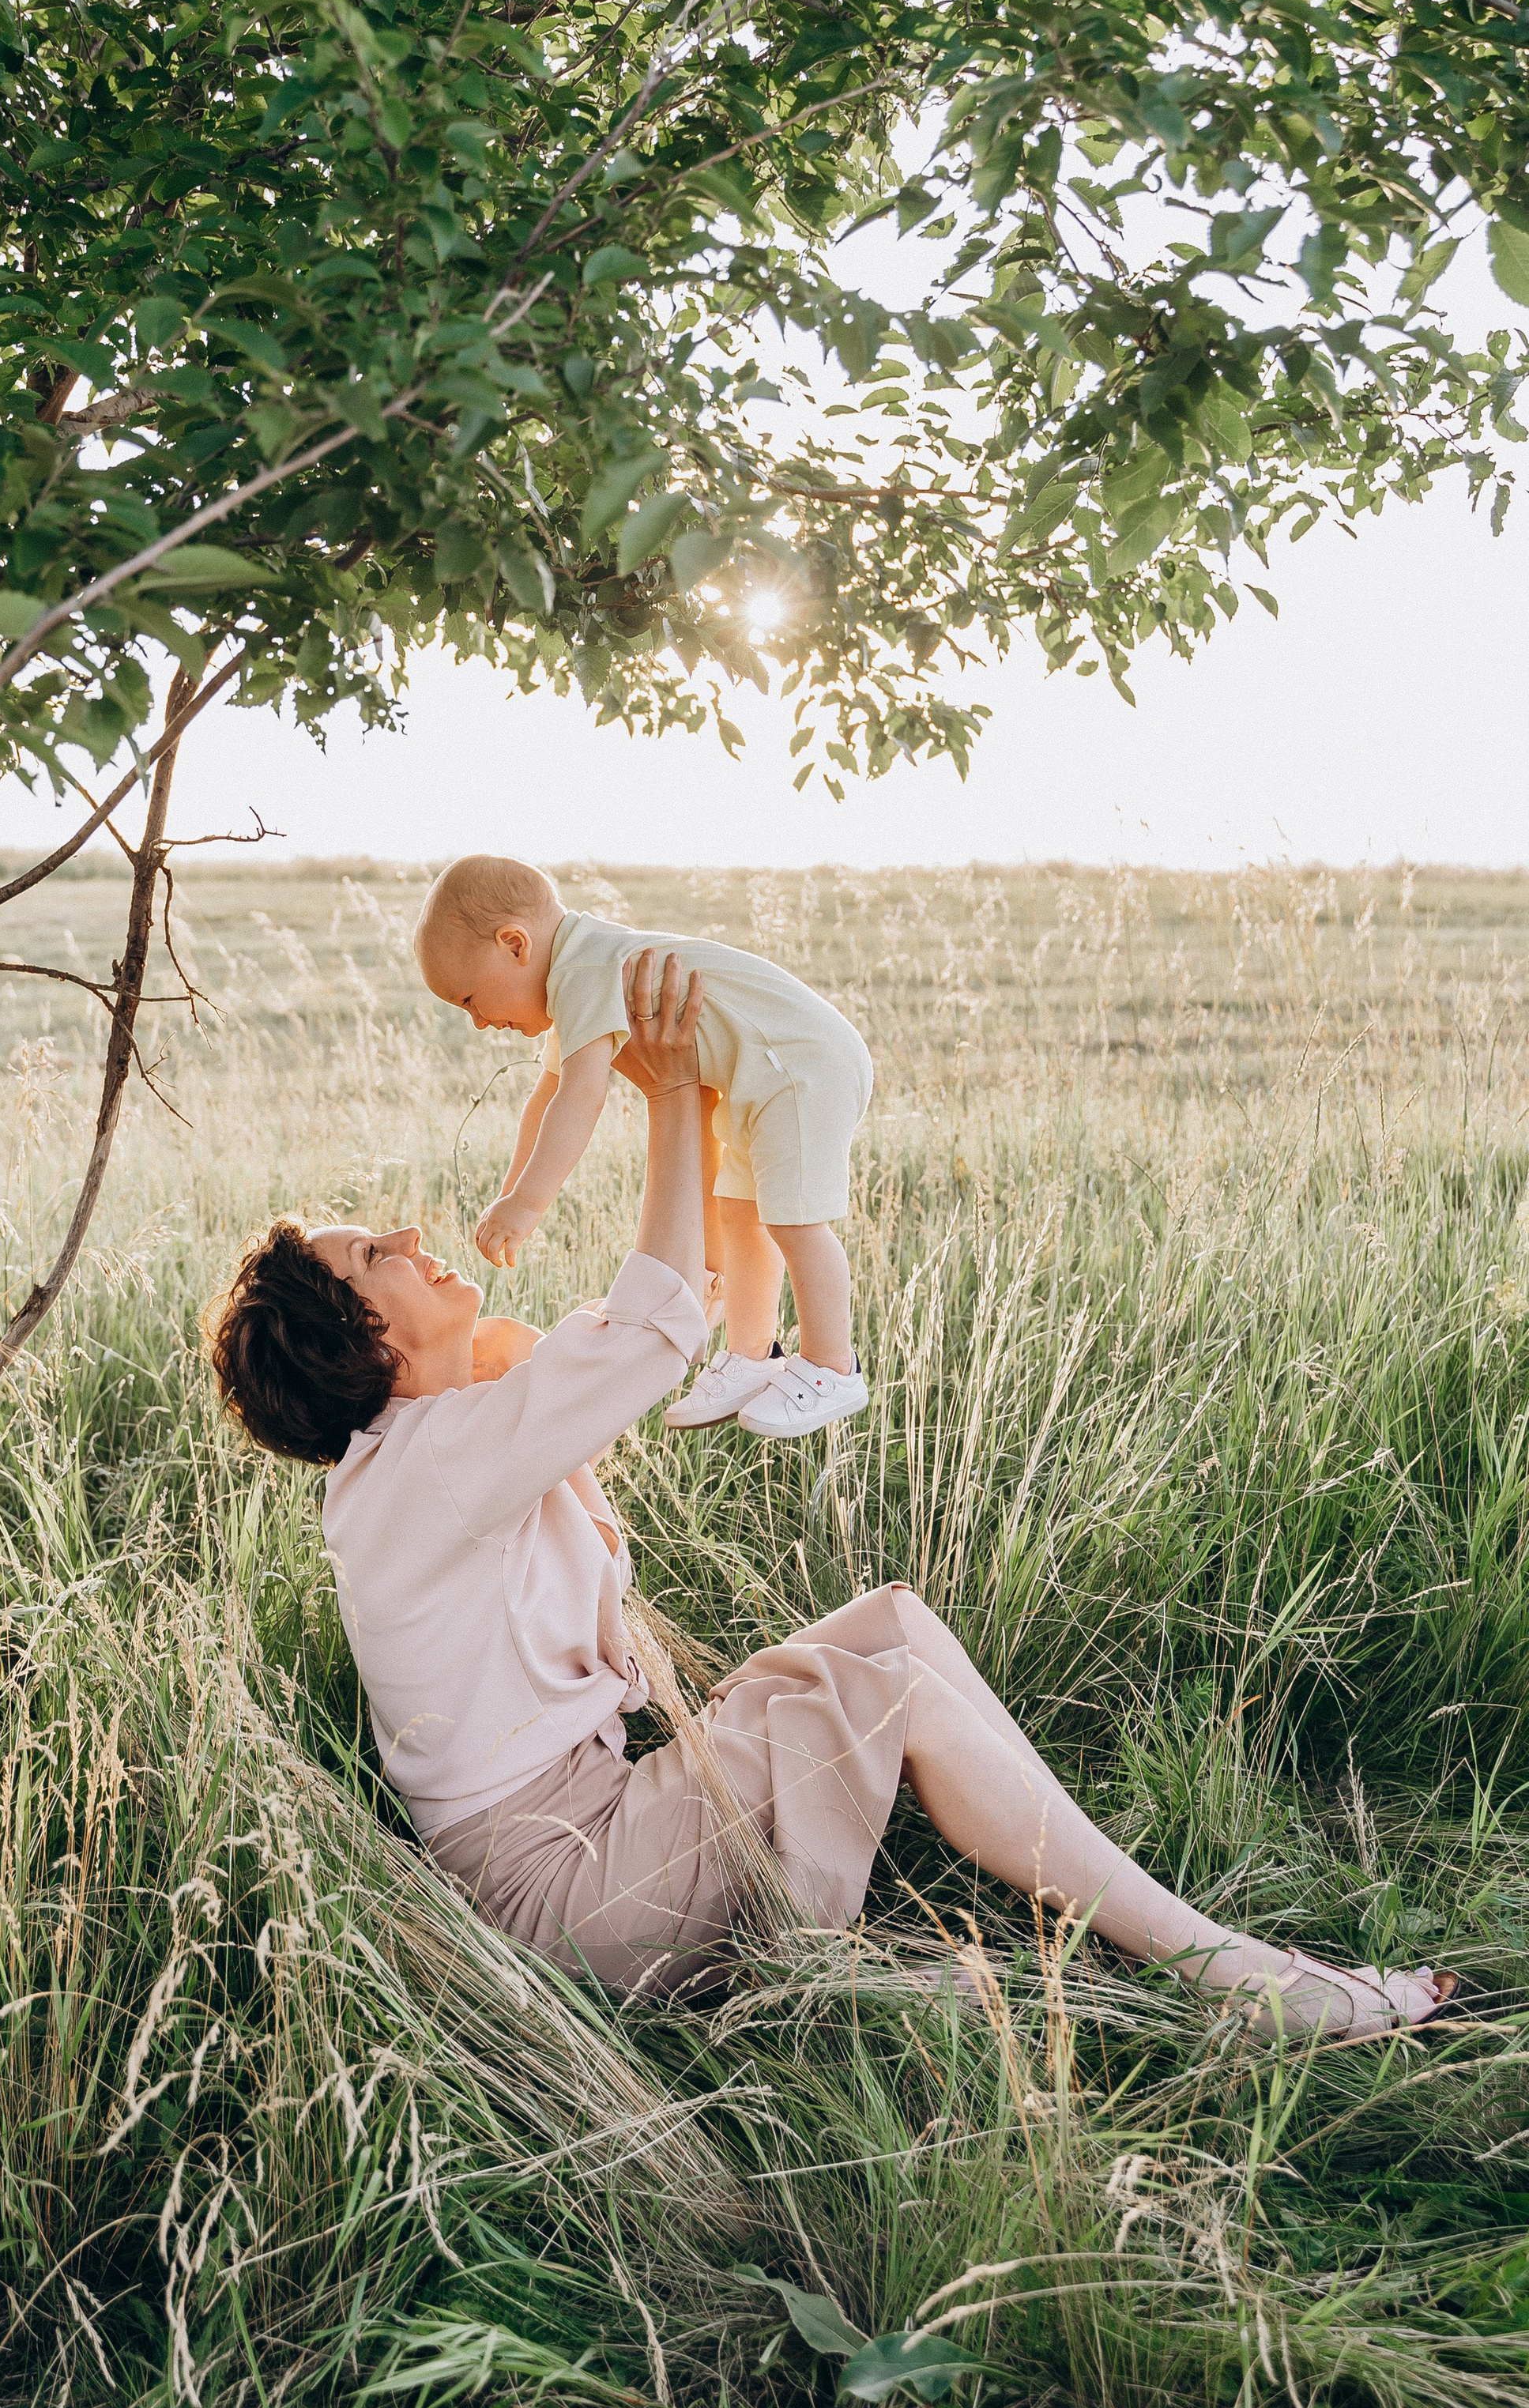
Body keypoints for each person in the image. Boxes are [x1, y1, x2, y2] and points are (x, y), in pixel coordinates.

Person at [210, 948, 1453, 2040]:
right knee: (890, 1681)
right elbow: (651, 1320)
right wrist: (680, 1087)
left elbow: (641, 1317)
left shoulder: (428, 1447)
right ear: (357, 1339)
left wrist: (663, 1118)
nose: (413, 1240)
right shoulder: (425, 1465)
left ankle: (982, 1934)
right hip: (568, 1892)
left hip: (594, 1835)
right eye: (378, 1256)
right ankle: (1234, 1977)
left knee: (893, 1625)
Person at [413, 852, 872, 1438]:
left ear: (514, 945)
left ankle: (834, 1366)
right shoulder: (579, 972)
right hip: (767, 1076)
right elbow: (546, 1097)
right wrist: (510, 1196)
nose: (476, 1022)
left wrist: (528, 1205)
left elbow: (580, 1099)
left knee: (793, 1220)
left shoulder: (584, 971)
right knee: (741, 1213)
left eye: (470, 999)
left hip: (801, 1066)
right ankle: (753, 1354)